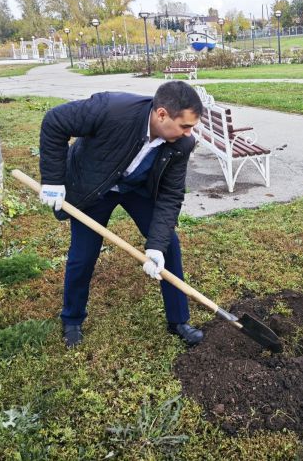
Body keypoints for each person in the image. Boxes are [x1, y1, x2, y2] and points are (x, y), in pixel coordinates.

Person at [38, 81, 204, 348]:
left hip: (135, 187)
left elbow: (171, 195)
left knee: (169, 246)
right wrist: (53, 180)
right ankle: (72, 319)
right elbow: (55, 121)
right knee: (83, 255)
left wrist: (156, 246)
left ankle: (178, 321)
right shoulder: (111, 109)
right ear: (162, 114)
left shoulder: (181, 145)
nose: (189, 133)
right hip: (95, 186)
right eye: (185, 125)